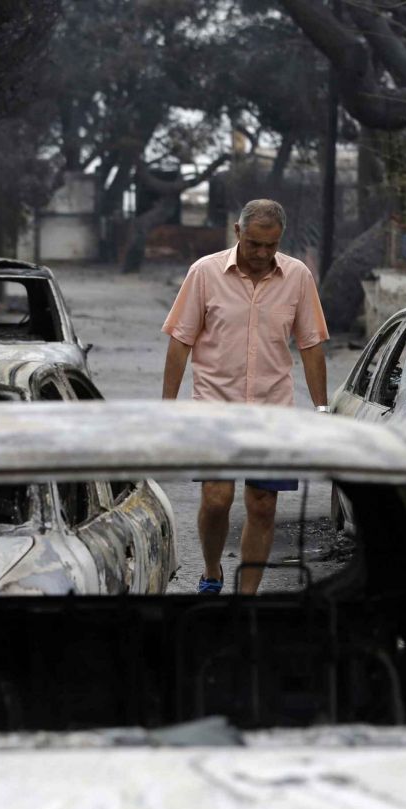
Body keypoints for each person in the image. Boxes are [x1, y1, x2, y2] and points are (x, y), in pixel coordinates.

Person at [161, 198, 330, 594]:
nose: (262, 253)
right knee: (217, 499)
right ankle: (212, 570)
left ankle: (247, 598)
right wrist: (165, 409)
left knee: (262, 504)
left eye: (271, 245)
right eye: (255, 243)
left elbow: (310, 345)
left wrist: (321, 409)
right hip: (214, 410)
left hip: (272, 412)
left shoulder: (298, 277)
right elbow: (180, 343)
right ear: (237, 233)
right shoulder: (204, 273)